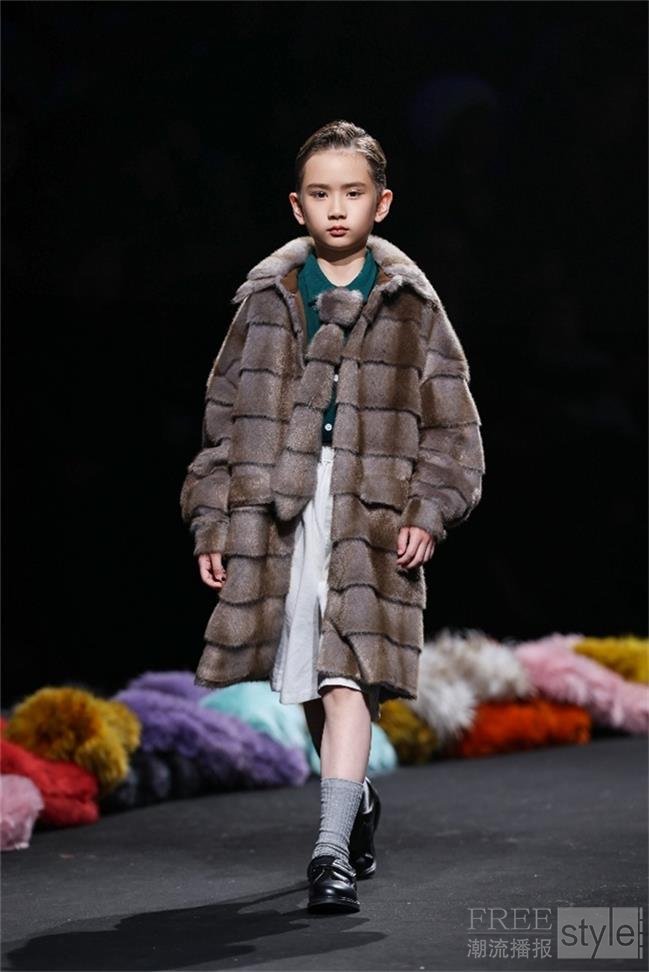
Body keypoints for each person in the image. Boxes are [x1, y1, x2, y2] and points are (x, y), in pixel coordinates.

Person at [180, 120, 485, 913]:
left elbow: (453, 431)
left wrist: (427, 509)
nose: (337, 208)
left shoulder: (411, 305)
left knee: (348, 676)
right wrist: (214, 521)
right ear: (296, 205)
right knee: (312, 681)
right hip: (278, 514)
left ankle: (328, 856)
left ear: (382, 202)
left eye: (353, 193)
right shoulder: (265, 301)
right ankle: (355, 806)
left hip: (370, 513)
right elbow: (223, 424)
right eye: (321, 193)